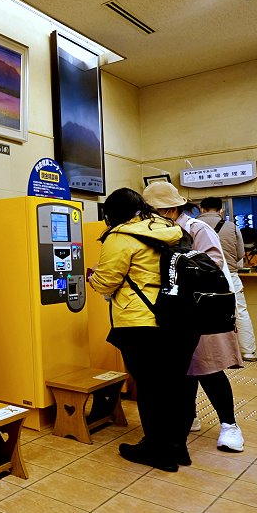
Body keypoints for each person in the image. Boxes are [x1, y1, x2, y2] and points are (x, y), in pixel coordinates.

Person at [88, 187, 196, 471]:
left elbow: (106, 281)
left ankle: (157, 449)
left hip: (142, 322)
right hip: (179, 320)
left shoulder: (120, 237)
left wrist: (92, 278)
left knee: (151, 388)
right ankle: (177, 448)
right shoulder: (168, 228)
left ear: (111, 215)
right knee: (176, 386)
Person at [143, 183, 245, 453]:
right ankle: (190, 418)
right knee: (184, 370)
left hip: (201, 312)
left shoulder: (198, 229)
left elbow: (213, 264)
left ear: (171, 209)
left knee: (209, 368)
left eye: (154, 211)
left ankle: (230, 426)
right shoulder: (158, 232)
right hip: (175, 315)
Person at [198, 198, 257, 362]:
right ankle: (248, 351)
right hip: (230, 276)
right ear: (221, 210)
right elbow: (240, 254)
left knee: (203, 314)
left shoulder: (191, 226)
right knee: (240, 312)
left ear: (202, 209)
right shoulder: (232, 227)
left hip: (201, 277)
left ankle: (208, 355)